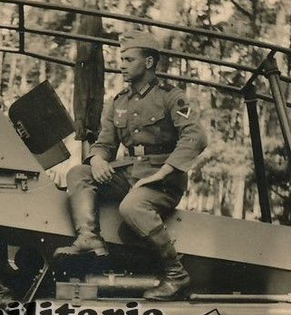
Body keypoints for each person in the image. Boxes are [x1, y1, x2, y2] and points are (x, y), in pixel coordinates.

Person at [56, 31, 208, 300]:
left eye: (128, 59)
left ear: (149, 62)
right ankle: (90, 238)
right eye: (121, 59)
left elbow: (195, 136)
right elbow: (104, 142)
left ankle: (176, 274)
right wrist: (99, 159)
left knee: (132, 206)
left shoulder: (171, 97)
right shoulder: (118, 103)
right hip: (129, 173)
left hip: (163, 178)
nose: (121, 64)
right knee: (79, 172)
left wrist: (164, 171)